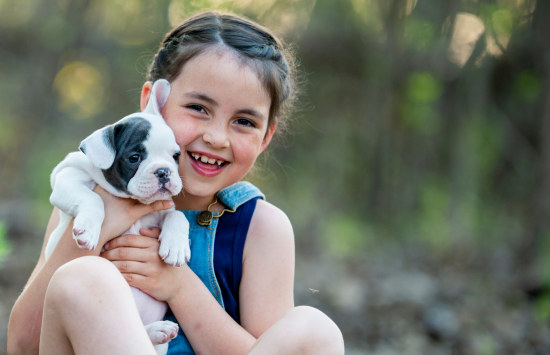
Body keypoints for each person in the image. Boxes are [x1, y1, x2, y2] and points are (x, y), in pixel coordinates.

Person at [7, 11, 344, 355]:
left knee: (316, 330)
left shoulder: (261, 229)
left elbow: (269, 349)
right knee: (83, 278)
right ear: (152, 104)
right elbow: (23, 344)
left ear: (265, 137)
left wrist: (179, 287)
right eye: (198, 108)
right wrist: (100, 224)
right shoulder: (85, 198)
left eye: (243, 121)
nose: (215, 137)